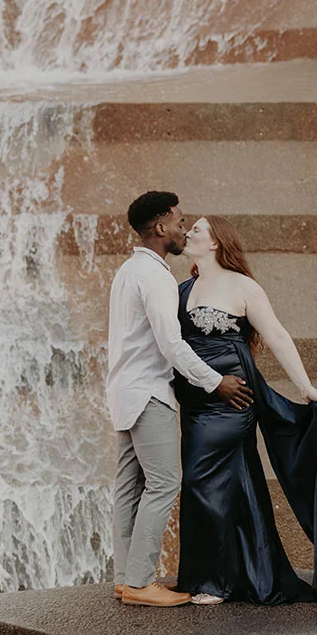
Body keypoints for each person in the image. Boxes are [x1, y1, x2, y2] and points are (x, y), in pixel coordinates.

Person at [174, 215, 317, 605]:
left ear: (215, 242)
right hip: (196, 403)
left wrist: (305, 386)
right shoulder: (183, 287)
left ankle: (215, 582)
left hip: (233, 398)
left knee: (202, 480)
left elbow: (277, 335)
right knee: (233, 483)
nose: (189, 233)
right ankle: (243, 575)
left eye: (197, 229)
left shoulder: (243, 286)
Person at [106, 193, 253, 608]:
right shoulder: (156, 277)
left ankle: (124, 579)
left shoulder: (128, 270)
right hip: (148, 393)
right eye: (178, 221)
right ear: (160, 227)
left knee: (129, 487)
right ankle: (140, 583)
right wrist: (214, 382)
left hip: (124, 391)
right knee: (165, 482)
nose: (183, 230)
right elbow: (171, 344)